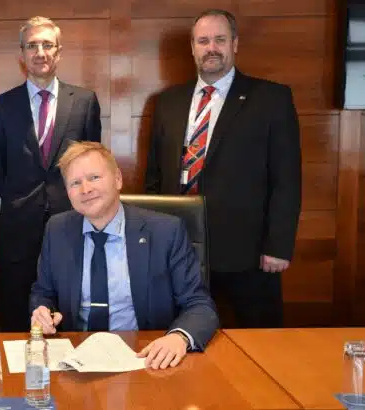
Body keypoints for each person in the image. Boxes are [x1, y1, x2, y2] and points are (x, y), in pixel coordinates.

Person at [145, 9, 301, 328]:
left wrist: (278, 246)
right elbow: (155, 177)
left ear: (235, 44)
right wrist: (153, 239)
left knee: (259, 344)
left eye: (220, 39)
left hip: (248, 254)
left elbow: (287, 179)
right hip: (180, 248)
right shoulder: (168, 102)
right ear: (193, 48)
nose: (211, 48)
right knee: (182, 337)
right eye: (203, 41)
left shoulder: (271, 99)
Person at [30, 142, 219, 370]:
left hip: (144, 357)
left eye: (94, 178)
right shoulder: (57, 229)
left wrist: (178, 337)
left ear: (118, 179)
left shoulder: (165, 232)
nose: (85, 189)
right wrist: (43, 312)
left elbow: (199, 305)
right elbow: (43, 293)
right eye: (75, 183)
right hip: (76, 360)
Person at [0, 16, 102, 331]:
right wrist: (22, 199)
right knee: (16, 314)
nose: (40, 52)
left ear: (59, 52)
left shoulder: (85, 102)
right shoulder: (1, 106)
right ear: (22, 55)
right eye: (32, 46)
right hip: (18, 226)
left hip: (72, 222)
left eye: (48, 45)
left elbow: (92, 163)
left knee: (69, 311)